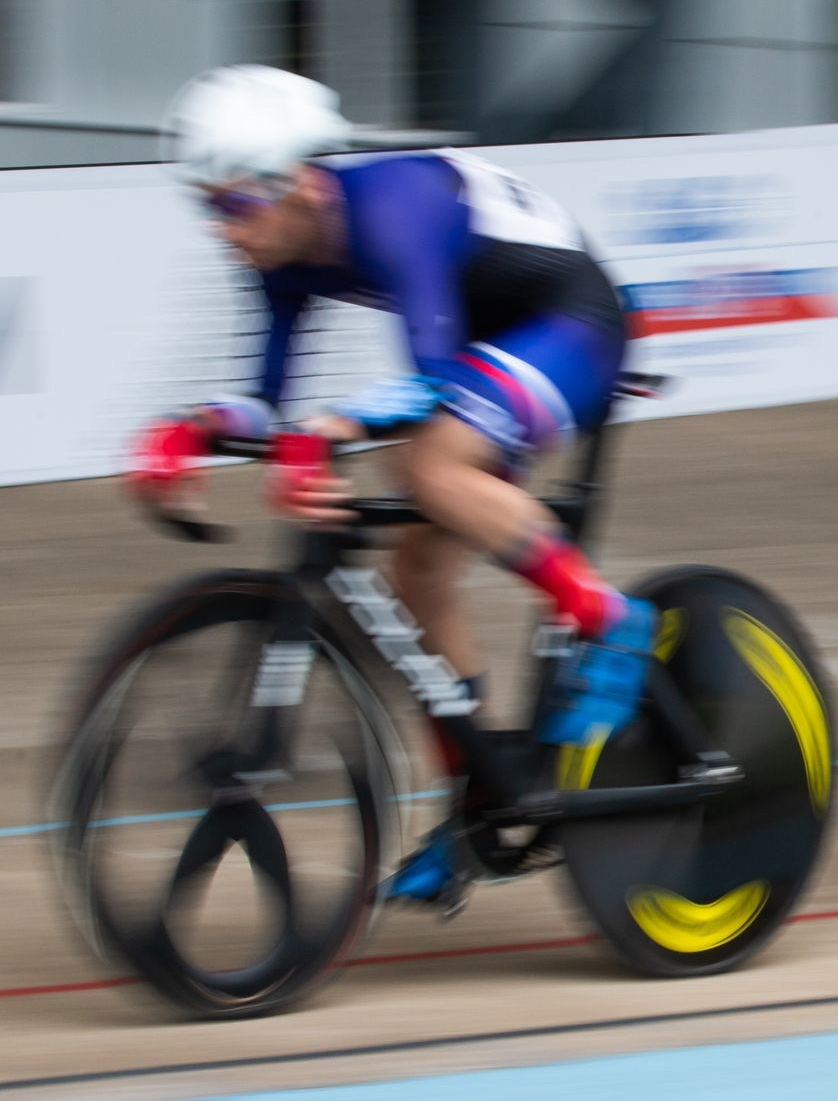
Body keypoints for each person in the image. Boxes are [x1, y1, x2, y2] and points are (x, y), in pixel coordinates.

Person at [127, 64, 646, 913]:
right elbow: (268, 403)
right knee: (418, 573)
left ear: (296, 182)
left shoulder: (395, 204)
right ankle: (476, 803)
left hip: (572, 322)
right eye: (207, 207)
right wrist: (191, 431)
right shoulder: (281, 254)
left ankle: (607, 620)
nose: (223, 231)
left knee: (432, 467)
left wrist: (329, 434)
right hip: (493, 342)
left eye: (233, 206)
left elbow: (433, 383)